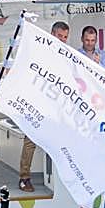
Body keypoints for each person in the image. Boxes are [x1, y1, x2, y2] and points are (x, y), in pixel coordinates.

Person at [19, 20, 71, 191]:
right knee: (30, 140)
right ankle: (24, 177)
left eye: (65, 37)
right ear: (52, 33)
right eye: (59, 36)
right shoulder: (40, 51)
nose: (62, 40)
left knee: (61, 137)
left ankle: (62, 175)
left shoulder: (65, 55)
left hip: (56, 102)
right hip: (37, 101)